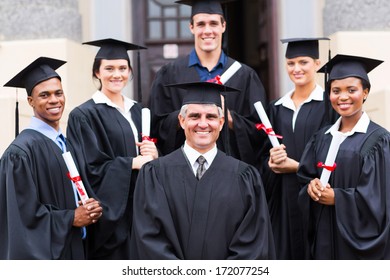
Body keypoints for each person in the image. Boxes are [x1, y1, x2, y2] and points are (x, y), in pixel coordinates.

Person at [131, 81, 275, 260]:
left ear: (221, 123)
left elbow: (253, 244)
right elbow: (149, 238)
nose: (203, 124)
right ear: (182, 121)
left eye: (211, 117)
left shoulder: (245, 177)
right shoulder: (155, 175)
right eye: (194, 116)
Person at [0, 57, 103, 260]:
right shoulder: (20, 153)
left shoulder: (64, 143)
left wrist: (89, 208)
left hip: (75, 248)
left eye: (58, 93)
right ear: (31, 101)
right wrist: (71, 218)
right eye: (44, 95)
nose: (54, 100)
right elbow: (22, 218)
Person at [66, 38, 158, 259]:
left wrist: (154, 155)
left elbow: (151, 161)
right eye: (109, 68)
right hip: (112, 221)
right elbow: (89, 168)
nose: (117, 74)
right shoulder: (84, 115)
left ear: (129, 72)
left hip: (142, 212)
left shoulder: (138, 111)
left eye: (122, 68)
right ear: (97, 73)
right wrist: (131, 163)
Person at [148, 0, 267, 169]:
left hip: (231, 174)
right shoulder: (169, 74)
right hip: (181, 174)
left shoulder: (245, 76)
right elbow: (155, 129)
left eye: (213, 24)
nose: (207, 31)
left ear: (223, 26)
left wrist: (230, 118)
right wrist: (184, 116)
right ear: (191, 27)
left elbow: (260, 133)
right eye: (201, 24)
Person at [297, 54, 390, 259]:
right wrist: (311, 188)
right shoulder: (321, 138)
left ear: (365, 93)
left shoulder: (378, 141)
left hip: (356, 249)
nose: (343, 97)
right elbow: (304, 179)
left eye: (352, 90)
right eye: (335, 91)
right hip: (323, 240)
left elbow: (380, 201)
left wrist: (338, 198)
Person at [260, 38, 338, 259]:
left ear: (317, 64)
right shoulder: (275, 108)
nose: (296, 69)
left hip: (315, 198)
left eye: (303, 62)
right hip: (282, 199)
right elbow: (261, 154)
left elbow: (336, 153)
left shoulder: (329, 104)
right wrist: (271, 161)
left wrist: (297, 167)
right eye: (291, 63)